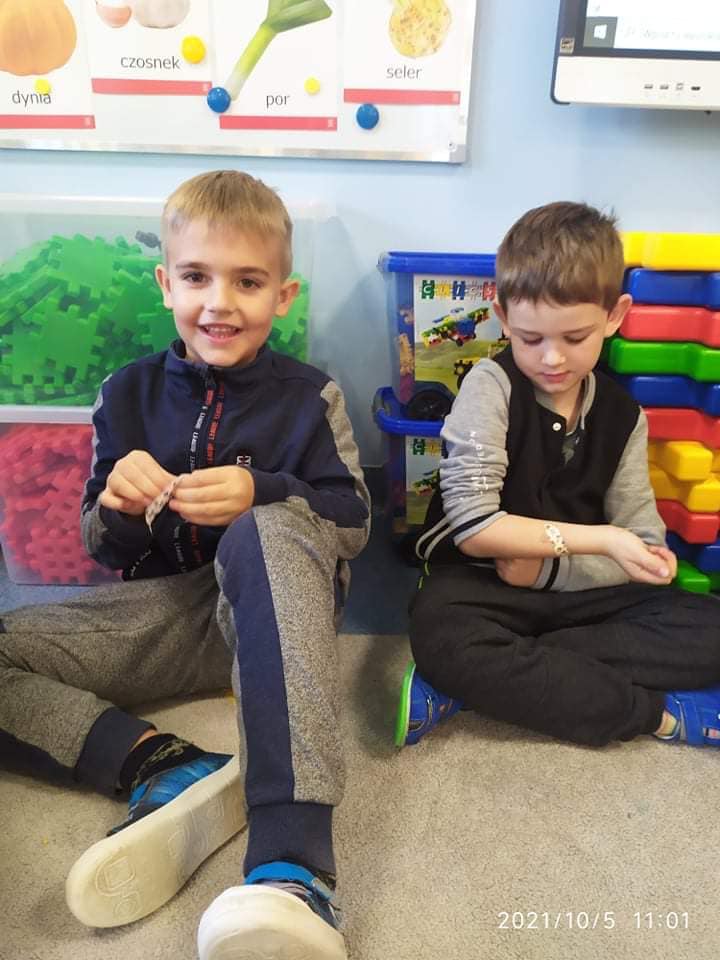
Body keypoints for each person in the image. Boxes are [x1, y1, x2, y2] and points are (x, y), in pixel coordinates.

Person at [0, 170, 369, 960]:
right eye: (197, 277)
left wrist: (264, 491)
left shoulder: (312, 398)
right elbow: (101, 548)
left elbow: (354, 521)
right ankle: (161, 764)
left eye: (248, 282)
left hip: (280, 616)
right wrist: (117, 509)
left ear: (283, 296)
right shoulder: (124, 394)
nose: (218, 303)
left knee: (268, 532)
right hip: (168, 613)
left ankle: (293, 868)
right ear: (166, 284)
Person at [395, 200, 720, 753]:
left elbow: (642, 548)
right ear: (502, 317)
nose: (552, 359)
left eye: (574, 338)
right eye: (530, 339)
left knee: (710, 629)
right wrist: (605, 541)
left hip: (576, 592)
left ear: (615, 316)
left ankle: (476, 686)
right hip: (480, 586)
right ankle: (656, 713)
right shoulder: (489, 387)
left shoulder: (623, 416)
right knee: (443, 635)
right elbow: (475, 529)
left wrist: (552, 571)